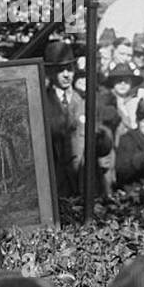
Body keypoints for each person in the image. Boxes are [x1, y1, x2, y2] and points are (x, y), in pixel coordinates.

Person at [41, 40, 84, 199]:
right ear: (51, 72)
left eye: (70, 69)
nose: (66, 74)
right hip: (55, 185)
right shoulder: (42, 101)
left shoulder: (83, 100)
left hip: (80, 184)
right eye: (60, 70)